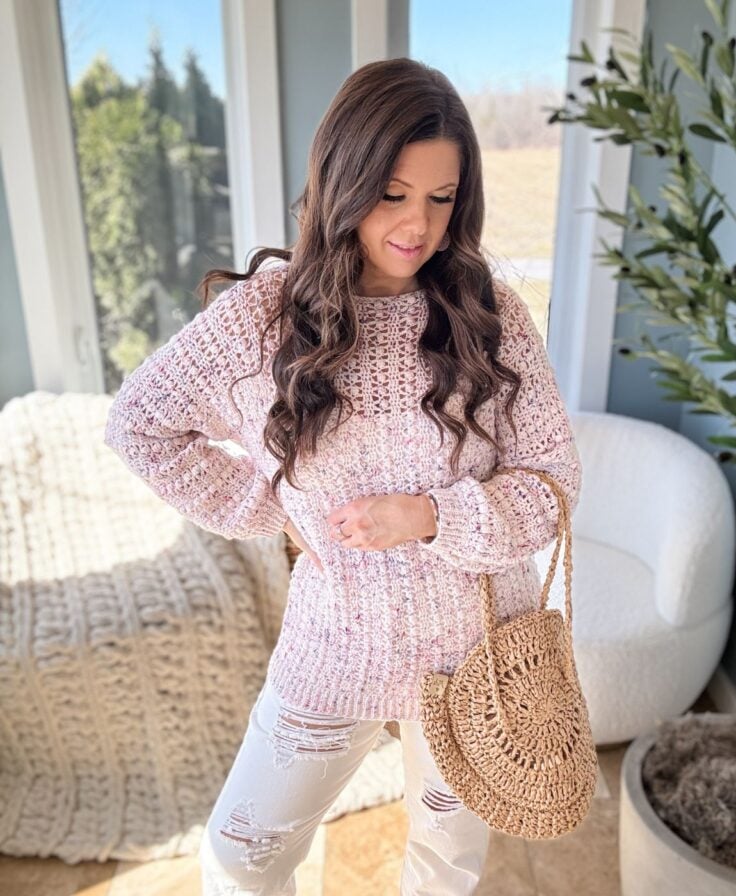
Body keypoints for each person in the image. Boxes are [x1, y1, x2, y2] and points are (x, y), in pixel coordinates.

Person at [104, 56, 582, 896]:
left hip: (477, 651)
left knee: (446, 863)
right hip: (340, 641)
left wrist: (430, 516)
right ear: (345, 179)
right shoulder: (261, 316)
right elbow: (139, 425)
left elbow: (554, 480)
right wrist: (274, 506)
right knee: (239, 854)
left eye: (442, 198)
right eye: (393, 193)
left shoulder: (489, 310)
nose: (418, 226)